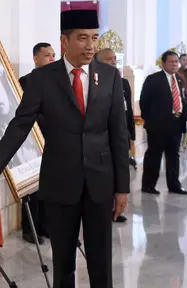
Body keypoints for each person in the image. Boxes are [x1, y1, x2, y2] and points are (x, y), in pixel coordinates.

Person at [0, 10, 130, 288]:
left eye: (94, 38)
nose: (90, 46)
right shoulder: (42, 79)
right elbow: (20, 125)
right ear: (64, 41)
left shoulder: (109, 76)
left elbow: (119, 133)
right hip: (59, 184)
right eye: (82, 38)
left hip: (100, 183)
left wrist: (122, 187)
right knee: (63, 263)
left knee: (101, 262)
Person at [140, 50, 187, 195]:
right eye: (171, 61)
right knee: (154, 155)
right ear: (163, 63)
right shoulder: (153, 79)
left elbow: (181, 99)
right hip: (158, 125)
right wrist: (150, 119)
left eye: (176, 61)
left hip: (176, 124)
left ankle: (174, 185)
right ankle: (148, 185)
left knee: (173, 155)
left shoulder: (179, 80)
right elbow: (144, 101)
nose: (175, 64)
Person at [19, 42, 55, 244]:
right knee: (33, 189)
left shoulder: (58, 82)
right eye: (47, 55)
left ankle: (46, 226)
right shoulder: (25, 82)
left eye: (53, 55)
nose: (51, 59)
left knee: (49, 188)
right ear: (36, 58)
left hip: (53, 142)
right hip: (32, 144)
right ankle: (30, 229)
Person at [96, 48, 135, 223]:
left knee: (119, 169)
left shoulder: (123, 83)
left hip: (121, 134)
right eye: (108, 59)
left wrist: (131, 134)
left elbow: (128, 112)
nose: (113, 62)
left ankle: (115, 208)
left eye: (114, 59)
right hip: (102, 140)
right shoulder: (94, 83)